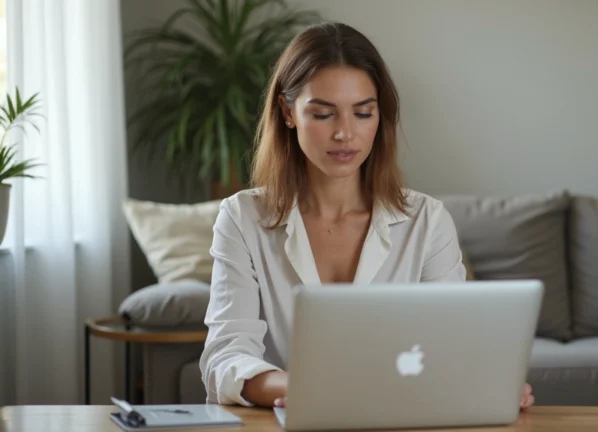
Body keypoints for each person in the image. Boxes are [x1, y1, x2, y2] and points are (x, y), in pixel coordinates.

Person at [199, 21, 534, 411]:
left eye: (362, 113)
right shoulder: (242, 218)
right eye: (324, 114)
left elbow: (454, 346)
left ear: (380, 117)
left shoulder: (426, 220)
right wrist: (302, 388)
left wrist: (486, 381)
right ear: (288, 113)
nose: (345, 133)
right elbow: (225, 356)